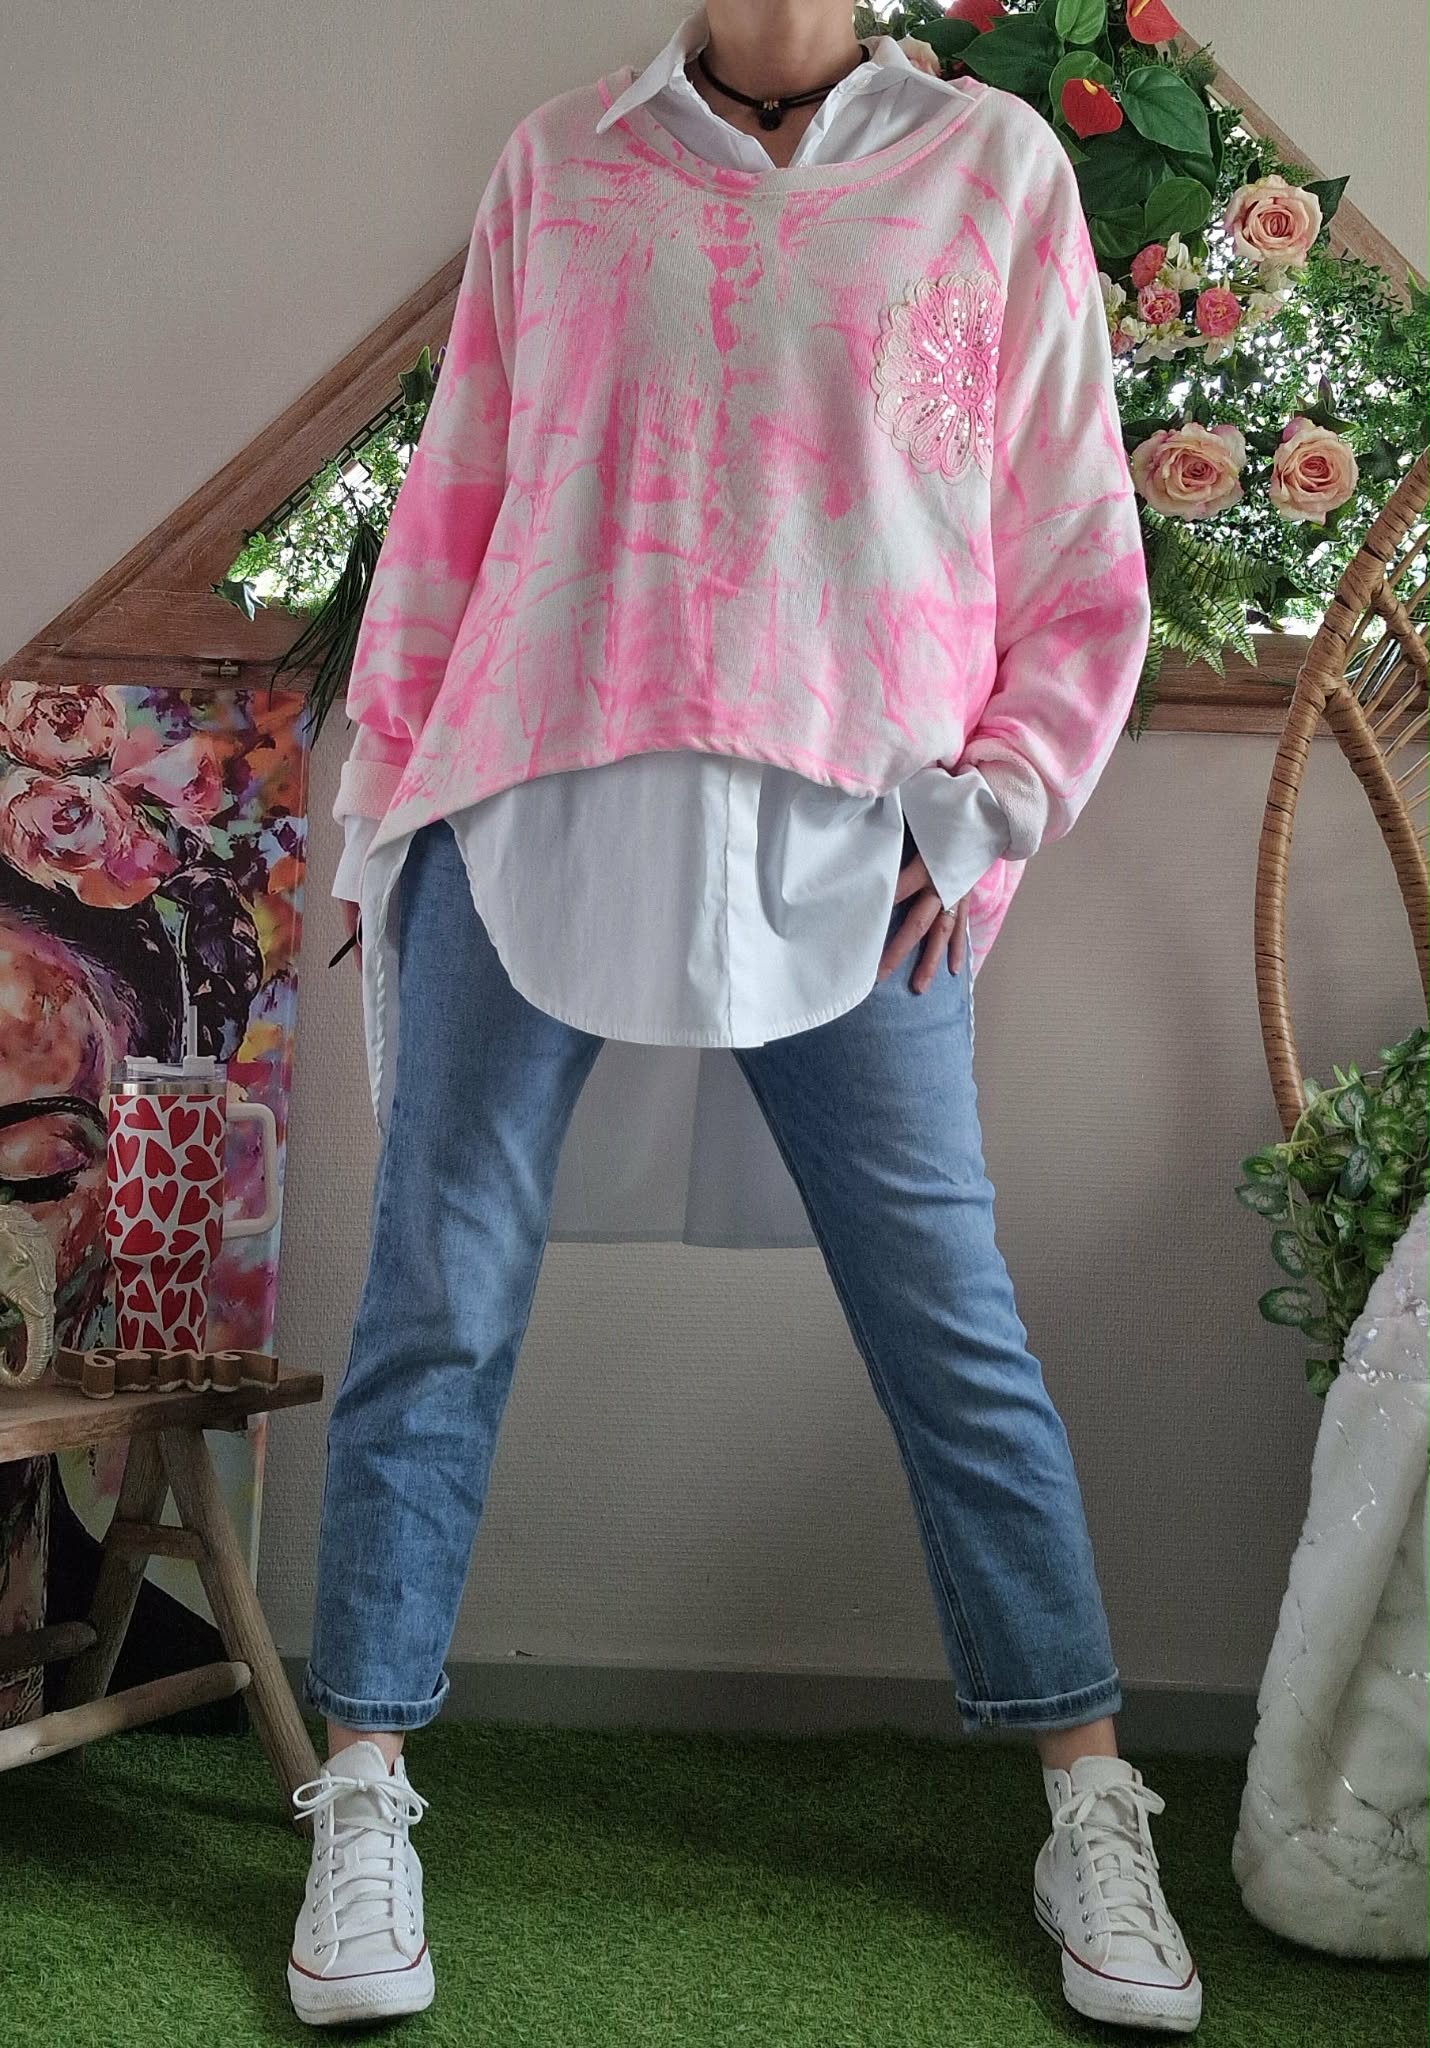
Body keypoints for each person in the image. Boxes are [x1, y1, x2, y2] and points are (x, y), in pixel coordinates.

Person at [289, 4, 1201, 2035]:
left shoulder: (990, 171)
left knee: (947, 1321)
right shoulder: (561, 161)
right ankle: (358, 1784)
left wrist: (998, 803)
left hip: (852, 824)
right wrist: (383, 803)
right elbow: (454, 506)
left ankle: (1087, 1790)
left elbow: (1069, 531)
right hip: (525, 791)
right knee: (435, 1301)